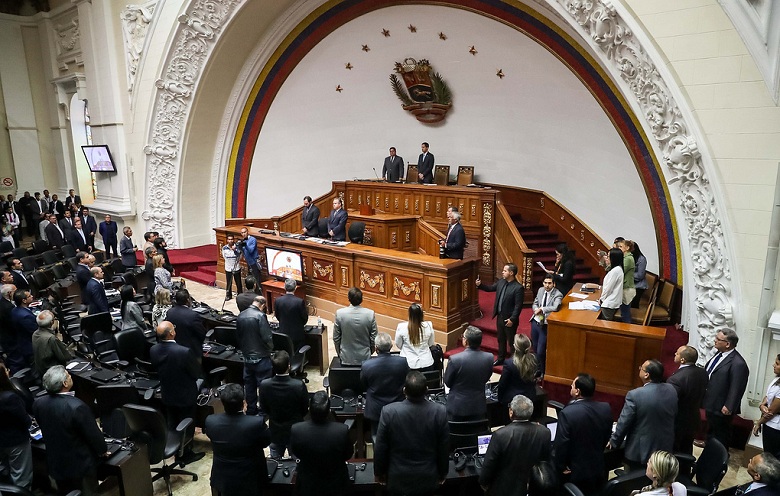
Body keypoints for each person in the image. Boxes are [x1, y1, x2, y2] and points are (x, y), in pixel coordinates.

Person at [33, 365, 108, 496]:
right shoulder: (76, 406)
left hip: (56, 465)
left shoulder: (38, 403)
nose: (71, 376)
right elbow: (94, 436)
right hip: (80, 466)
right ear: (65, 383)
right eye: (68, 375)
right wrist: (103, 451)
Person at [374, 371, 449, 496]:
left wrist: (379, 473)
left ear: (404, 390)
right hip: (428, 477)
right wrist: (443, 473)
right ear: (427, 390)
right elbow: (443, 448)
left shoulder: (388, 411)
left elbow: (381, 447)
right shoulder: (439, 411)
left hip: (397, 478)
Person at [149, 321, 205, 464]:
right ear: (171, 333)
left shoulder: (153, 349)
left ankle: (173, 448)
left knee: (172, 423)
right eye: (173, 328)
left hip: (167, 393)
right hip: (186, 395)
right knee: (187, 424)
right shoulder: (183, 352)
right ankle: (185, 454)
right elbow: (195, 373)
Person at [609, 359, 678, 470]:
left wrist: (614, 441)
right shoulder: (671, 390)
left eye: (641, 368)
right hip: (664, 448)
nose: (639, 369)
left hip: (640, 452)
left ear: (646, 375)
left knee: (633, 478)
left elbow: (624, 422)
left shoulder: (635, 395)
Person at [204, 383, 271, 496]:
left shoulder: (211, 421)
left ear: (223, 403)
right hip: (250, 477)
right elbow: (266, 441)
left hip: (222, 477)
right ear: (244, 403)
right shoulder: (256, 423)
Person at [479, 394, 551, 496]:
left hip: (505, 489)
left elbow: (489, 465)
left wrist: (483, 482)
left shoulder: (500, 435)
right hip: (534, 486)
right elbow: (545, 460)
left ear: (511, 412)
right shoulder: (544, 432)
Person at [553, 373, 613, 494]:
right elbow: (607, 436)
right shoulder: (605, 408)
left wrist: (560, 466)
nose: (571, 386)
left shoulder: (567, 413)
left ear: (577, 391)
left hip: (575, 471)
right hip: (598, 466)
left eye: (572, 385)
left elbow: (562, 444)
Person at [290, 391, 353, 496]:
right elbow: (348, 454)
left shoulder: (297, 429)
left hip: (308, 484)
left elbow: (296, 453)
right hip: (336, 483)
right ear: (329, 411)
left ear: (309, 410)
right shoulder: (342, 430)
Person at [703, 328, 749, 448]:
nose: (715, 340)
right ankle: (709, 448)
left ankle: (721, 454)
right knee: (712, 428)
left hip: (721, 405)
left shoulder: (738, 363)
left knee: (721, 433)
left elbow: (737, 386)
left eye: (718, 339)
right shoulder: (719, 354)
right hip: (711, 400)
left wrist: (729, 405)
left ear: (727, 344)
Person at [259, 350, 309, 459]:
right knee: (297, 463)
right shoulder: (298, 385)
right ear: (289, 366)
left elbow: (264, 408)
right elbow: (305, 409)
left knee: (276, 464)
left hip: (275, 431)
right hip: (295, 430)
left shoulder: (264, 385)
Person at [361, 333, 409, 434]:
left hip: (375, 410)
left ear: (376, 348)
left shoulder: (366, 365)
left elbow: (364, 385)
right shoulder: (402, 362)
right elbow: (406, 381)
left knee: (377, 435)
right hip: (397, 407)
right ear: (391, 346)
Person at [476, 263, 523, 365]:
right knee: (501, 339)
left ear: (511, 273)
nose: (502, 272)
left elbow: (518, 306)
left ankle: (513, 361)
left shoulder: (518, 288)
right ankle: (501, 358)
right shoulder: (501, 281)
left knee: (511, 341)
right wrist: (480, 285)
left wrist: (512, 319)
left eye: (505, 271)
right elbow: (490, 288)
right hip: (500, 316)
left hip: (510, 319)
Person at [443, 325, 494, 420]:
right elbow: (486, 377)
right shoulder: (489, 358)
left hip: (457, 407)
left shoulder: (455, 360)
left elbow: (448, 382)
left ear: (466, 341)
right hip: (478, 406)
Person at [235, 295, 274, 416]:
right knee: (263, 386)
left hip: (247, 358)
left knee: (249, 386)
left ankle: (251, 410)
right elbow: (267, 337)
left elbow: (238, 337)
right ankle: (263, 412)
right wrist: (270, 349)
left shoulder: (241, 315)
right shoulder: (260, 316)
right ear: (262, 305)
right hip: (261, 358)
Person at [667, 346, 708, 454]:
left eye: (677, 353)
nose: (674, 354)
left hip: (678, 422)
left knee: (674, 452)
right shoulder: (703, 372)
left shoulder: (676, 379)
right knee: (686, 449)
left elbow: (670, 402)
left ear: (682, 360)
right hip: (693, 419)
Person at [0, 363, 33, 490]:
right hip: (16, 442)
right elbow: (25, 421)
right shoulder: (10, 398)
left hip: (2, 442)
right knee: (22, 479)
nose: (8, 372)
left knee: (6, 471)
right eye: (6, 370)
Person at [333, 287, 378, 365]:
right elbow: (374, 338)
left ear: (348, 298)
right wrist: (369, 352)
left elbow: (336, 338)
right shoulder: (370, 314)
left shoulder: (340, 314)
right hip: (365, 357)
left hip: (346, 357)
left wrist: (340, 354)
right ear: (362, 299)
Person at [530, 274, 563, 377]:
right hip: (536, 322)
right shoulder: (540, 290)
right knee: (535, 348)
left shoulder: (558, 294)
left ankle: (543, 371)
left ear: (554, 284)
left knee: (541, 351)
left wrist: (542, 309)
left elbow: (555, 307)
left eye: (549, 283)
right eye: (545, 283)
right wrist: (536, 309)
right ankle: (537, 369)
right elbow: (535, 303)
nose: (547, 285)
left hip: (545, 325)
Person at [165, 288, 207, 361]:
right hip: (191, 353)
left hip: (174, 351)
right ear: (188, 300)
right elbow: (202, 334)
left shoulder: (170, 312)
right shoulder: (193, 315)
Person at [496, 334, 537, 407]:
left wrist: (500, 399)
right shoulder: (534, 360)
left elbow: (502, 384)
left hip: (513, 399)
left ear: (515, 346)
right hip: (530, 396)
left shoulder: (509, 364)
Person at [394, 303, 435, 370]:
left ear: (409, 314)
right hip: (426, 363)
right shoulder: (429, 325)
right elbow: (430, 344)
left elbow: (398, 344)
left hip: (408, 364)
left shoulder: (401, 327)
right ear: (422, 314)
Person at [754, 354, 780, 459]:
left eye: (777, 364)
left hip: (776, 427)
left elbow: (771, 411)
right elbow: (768, 396)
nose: (774, 365)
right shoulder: (777, 379)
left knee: (771, 458)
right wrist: (762, 405)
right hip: (768, 423)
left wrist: (758, 423)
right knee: (767, 454)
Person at [32, 310, 73, 377]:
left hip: (41, 370)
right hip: (54, 372)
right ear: (52, 322)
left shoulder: (35, 334)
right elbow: (63, 356)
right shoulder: (51, 338)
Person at [273, 278, 307, 352]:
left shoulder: (278, 300)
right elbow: (304, 318)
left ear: (284, 287)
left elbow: (277, 315)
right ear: (295, 288)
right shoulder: (299, 302)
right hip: (297, 335)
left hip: (283, 333)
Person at [10, 289, 37, 372]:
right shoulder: (25, 316)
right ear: (24, 300)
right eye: (29, 296)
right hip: (30, 347)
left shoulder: (15, 310)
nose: (32, 296)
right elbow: (35, 331)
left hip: (22, 342)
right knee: (36, 369)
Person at [599, 247, 623, 320]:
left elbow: (608, 288)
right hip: (611, 302)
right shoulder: (617, 269)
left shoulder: (615, 271)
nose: (606, 258)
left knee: (605, 324)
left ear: (614, 258)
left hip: (609, 304)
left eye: (608, 257)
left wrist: (601, 299)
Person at [618, 239, 636, 323]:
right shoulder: (624, 257)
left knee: (625, 313)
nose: (619, 248)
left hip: (627, 288)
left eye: (621, 246)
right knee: (624, 312)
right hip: (624, 287)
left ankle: (627, 328)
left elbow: (620, 271)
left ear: (627, 248)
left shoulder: (628, 258)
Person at [221, 234, 243, 300]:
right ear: (227, 240)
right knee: (229, 283)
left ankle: (240, 295)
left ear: (233, 240)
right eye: (229, 239)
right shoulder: (224, 248)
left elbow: (240, 256)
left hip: (236, 267)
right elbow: (224, 256)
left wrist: (234, 250)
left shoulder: (237, 247)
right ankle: (228, 295)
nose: (230, 241)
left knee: (238, 282)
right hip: (228, 268)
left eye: (232, 239)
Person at [631, 242, 648, 307]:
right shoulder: (629, 257)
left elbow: (640, 276)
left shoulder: (642, 259)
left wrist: (628, 275)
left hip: (638, 286)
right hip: (630, 285)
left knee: (631, 305)